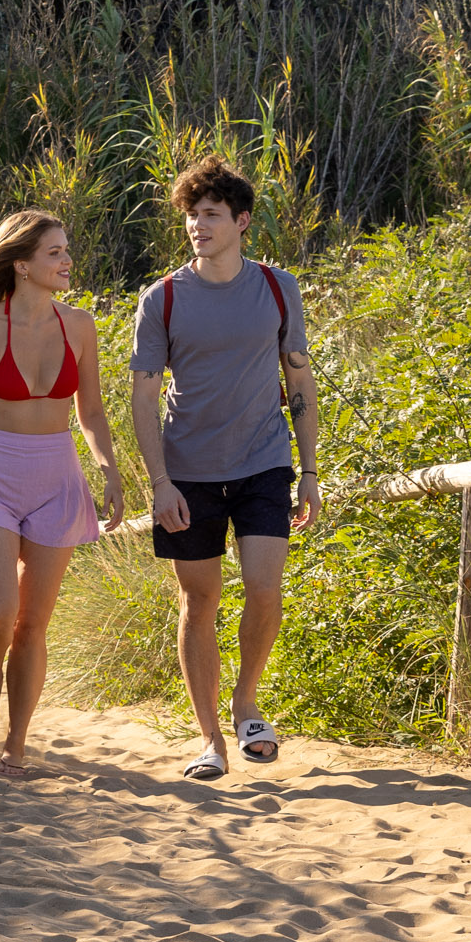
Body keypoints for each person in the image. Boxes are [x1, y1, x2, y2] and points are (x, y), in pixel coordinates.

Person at [0, 209, 125, 777]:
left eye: (65, 250)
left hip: (56, 479)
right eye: (54, 253)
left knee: (33, 623)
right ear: (22, 265)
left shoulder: (79, 326)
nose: (66, 261)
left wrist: (109, 469)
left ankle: (16, 745)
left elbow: (91, 411)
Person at [130, 157, 316, 781]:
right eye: (191, 215)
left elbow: (299, 380)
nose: (197, 225)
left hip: (265, 460)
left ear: (240, 221)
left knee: (265, 588)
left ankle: (245, 701)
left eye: (210, 215)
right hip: (189, 470)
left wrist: (310, 470)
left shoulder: (276, 287)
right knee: (199, 598)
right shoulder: (164, 297)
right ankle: (210, 738)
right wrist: (159, 483)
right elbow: (143, 397)